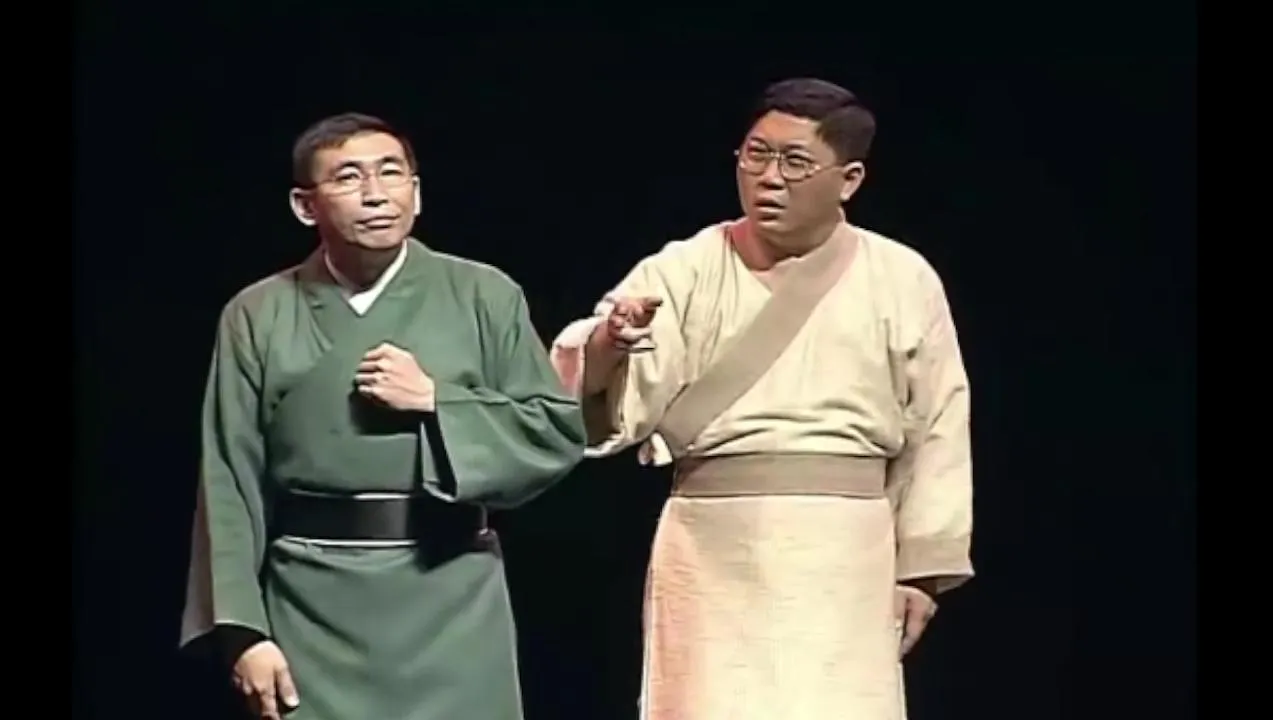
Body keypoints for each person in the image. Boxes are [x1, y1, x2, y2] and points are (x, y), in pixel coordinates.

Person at [549, 78, 974, 719]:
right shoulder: (688, 266)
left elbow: (938, 422)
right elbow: (602, 372)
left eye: (795, 162)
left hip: (846, 550)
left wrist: (920, 568)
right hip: (712, 544)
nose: (769, 178)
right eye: (756, 155)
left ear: (849, 179)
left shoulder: (902, 277)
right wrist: (610, 341)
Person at [180, 112, 588, 720]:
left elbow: (553, 432)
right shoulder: (257, 312)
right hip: (309, 600)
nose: (375, 194)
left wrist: (437, 401)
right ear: (305, 206)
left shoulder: (484, 294)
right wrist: (244, 631)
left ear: (416, 194)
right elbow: (228, 477)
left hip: (452, 594)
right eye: (348, 177)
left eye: (391, 173)